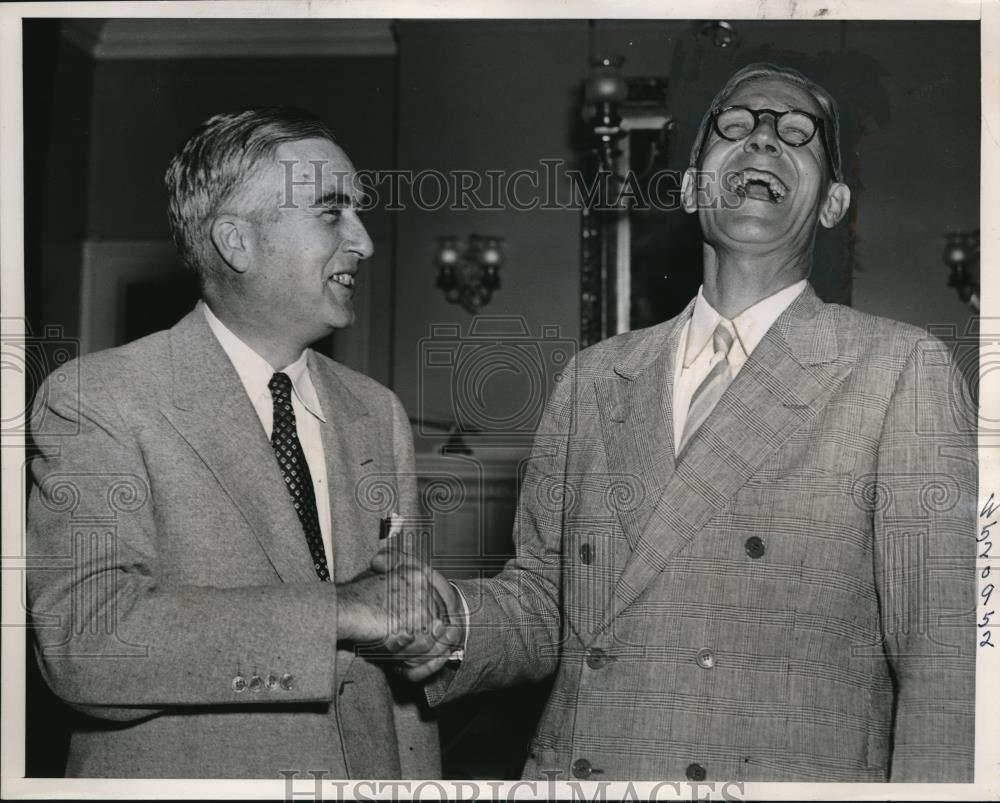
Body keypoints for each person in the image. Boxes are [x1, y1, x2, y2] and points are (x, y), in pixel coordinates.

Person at [389, 63, 977, 782]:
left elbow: (944, 660)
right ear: (693, 187)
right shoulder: (596, 376)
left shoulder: (898, 368)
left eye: (797, 133)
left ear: (833, 203)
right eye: (735, 125)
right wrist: (450, 622)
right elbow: (544, 603)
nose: (762, 137)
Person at [26, 107, 456, 778]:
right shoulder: (100, 400)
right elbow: (88, 641)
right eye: (331, 212)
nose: (365, 242)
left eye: (359, 212)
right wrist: (344, 610)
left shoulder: (377, 412)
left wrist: (421, 635)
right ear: (237, 243)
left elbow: (395, 640)